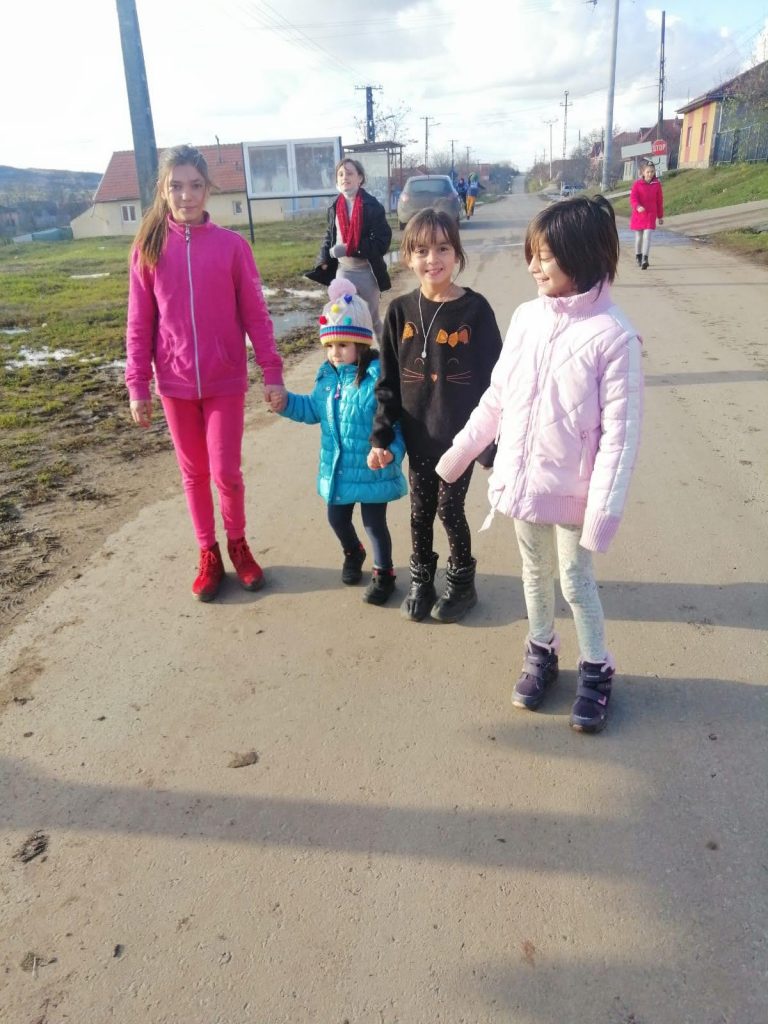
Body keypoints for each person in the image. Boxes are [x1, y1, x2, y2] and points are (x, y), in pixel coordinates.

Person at [435, 196, 643, 733]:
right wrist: (459, 453)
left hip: (574, 491)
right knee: (534, 572)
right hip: (523, 481)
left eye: (545, 256)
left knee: (575, 581)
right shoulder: (527, 317)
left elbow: (620, 438)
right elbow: (497, 397)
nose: (532, 266)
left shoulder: (614, 336)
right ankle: (541, 649)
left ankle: (596, 668)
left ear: (582, 255)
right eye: (532, 253)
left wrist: (603, 513)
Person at [125, 144, 286, 602]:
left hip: (224, 380)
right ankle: (208, 553)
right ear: (163, 189)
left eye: (195, 185)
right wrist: (138, 385)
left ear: (208, 190)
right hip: (174, 383)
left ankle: (237, 544)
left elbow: (256, 316)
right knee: (194, 474)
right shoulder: (148, 249)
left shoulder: (233, 247)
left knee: (226, 472)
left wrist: (271, 371)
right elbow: (139, 323)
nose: (186, 195)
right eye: (176, 186)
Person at [368, 208, 503, 623]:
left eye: (443, 248)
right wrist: (381, 436)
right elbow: (388, 382)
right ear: (408, 257)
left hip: (461, 439)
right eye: (422, 250)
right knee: (420, 512)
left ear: (456, 253)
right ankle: (422, 580)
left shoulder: (475, 310)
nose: (433, 259)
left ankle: (462, 582)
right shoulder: (399, 311)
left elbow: (498, 383)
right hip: (418, 436)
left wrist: (491, 446)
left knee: (449, 508)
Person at [273, 279, 407, 605]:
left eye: (343, 345)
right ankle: (352, 552)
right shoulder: (326, 378)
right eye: (330, 346)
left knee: (374, 524)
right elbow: (311, 409)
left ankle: (384, 574)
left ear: (361, 344)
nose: (335, 353)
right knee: (336, 518)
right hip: (339, 471)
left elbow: (396, 425)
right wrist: (286, 403)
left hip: (373, 469)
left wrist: (390, 452)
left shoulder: (377, 381)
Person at [308, 158, 392, 341]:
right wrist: (323, 259)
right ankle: (351, 355)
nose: (344, 177)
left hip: (368, 272)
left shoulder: (372, 206)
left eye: (349, 173)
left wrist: (350, 248)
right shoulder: (334, 207)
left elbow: (382, 242)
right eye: (340, 174)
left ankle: (387, 354)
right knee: (344, 317)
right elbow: (329, 235)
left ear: (360, 178)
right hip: (344, 272)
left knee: (371, 319)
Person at [629, 161, 664, 269]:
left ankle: (645, 258)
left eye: (652, 171)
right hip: (639, 215)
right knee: (639, 237)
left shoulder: (657, 184)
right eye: (648, 172)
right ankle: (638, 256)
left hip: (650, 215)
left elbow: (659, 201)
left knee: (647, 236)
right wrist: (637, 206)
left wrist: (660, 216)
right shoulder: (637, 184)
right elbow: (633, 198)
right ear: (643, 172)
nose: (650, 174)